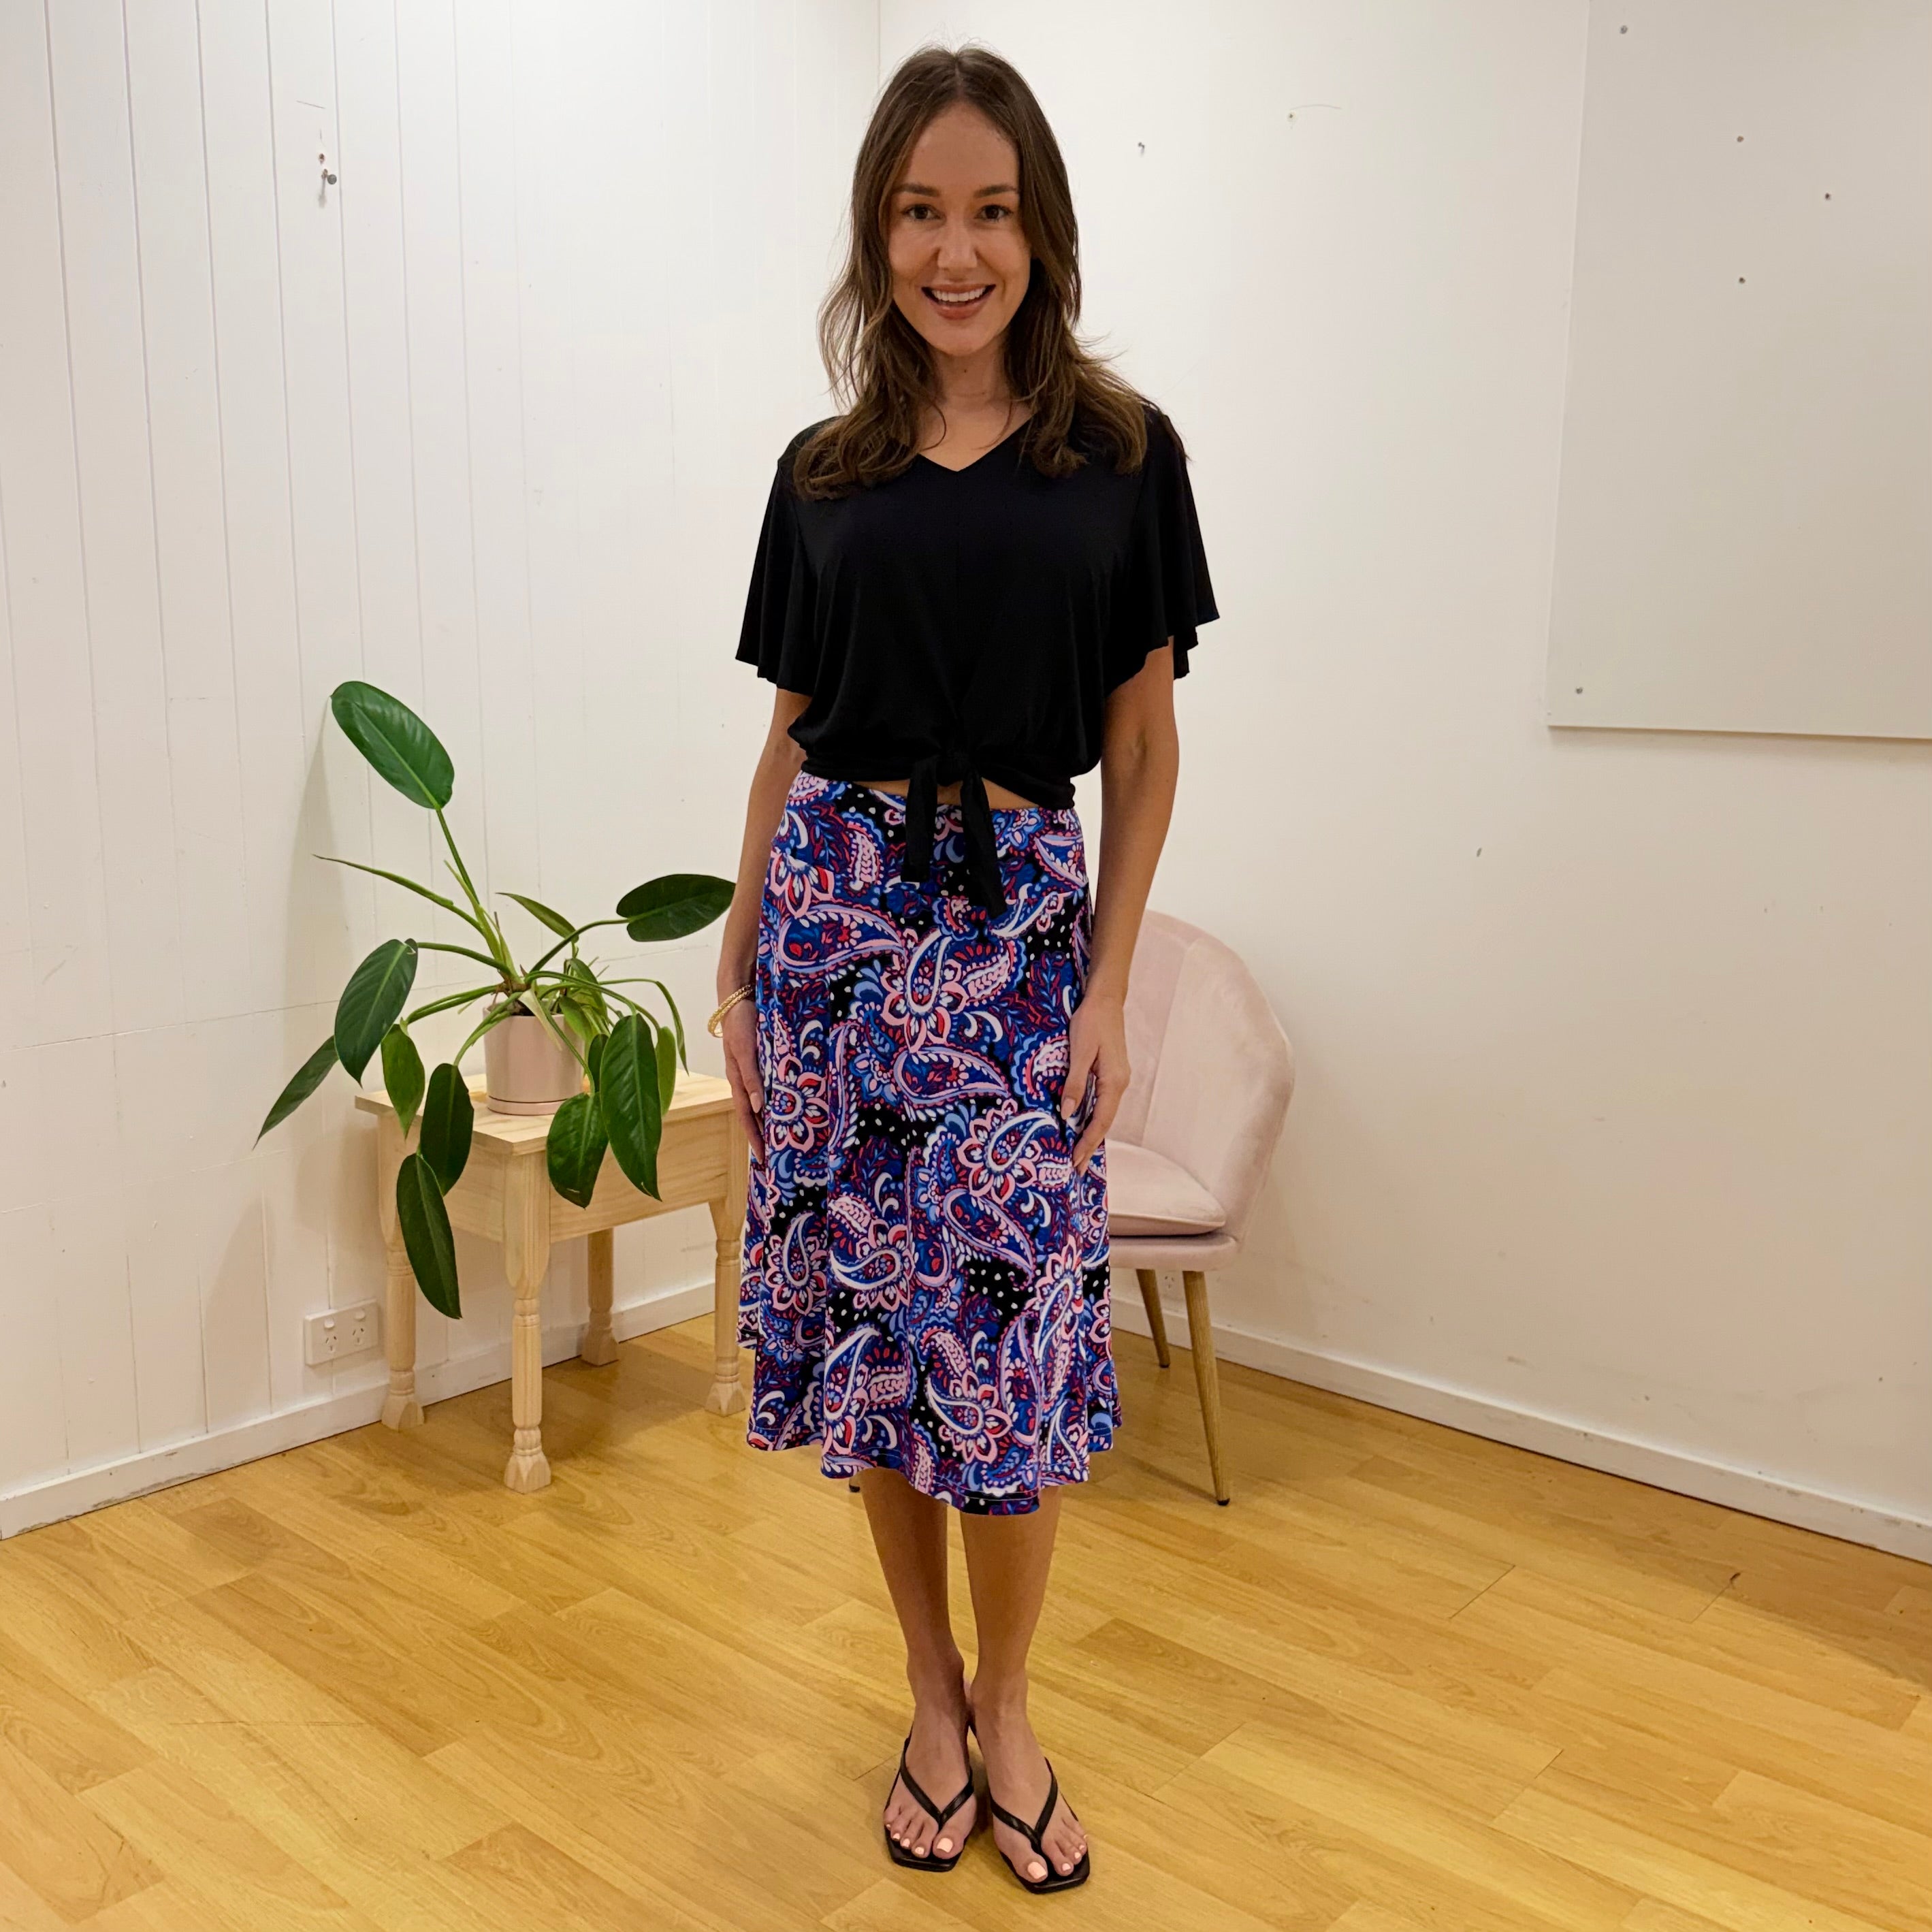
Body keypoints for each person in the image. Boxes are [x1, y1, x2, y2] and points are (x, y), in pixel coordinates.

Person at [709, 43, 1217, 1895]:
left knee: (1007, 1354)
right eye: (921, 210)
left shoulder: (1118, 459)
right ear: (879, 231)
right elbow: (789, 739)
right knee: (877, 1348)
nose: (955, 248)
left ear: (1040, 229)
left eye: (990, 210)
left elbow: (1145, 751)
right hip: (837, 931)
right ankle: (926, 1691)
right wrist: (741, 959)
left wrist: (1103, 984)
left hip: (1014, 936)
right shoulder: (820, 475)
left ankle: (1013, 1703)